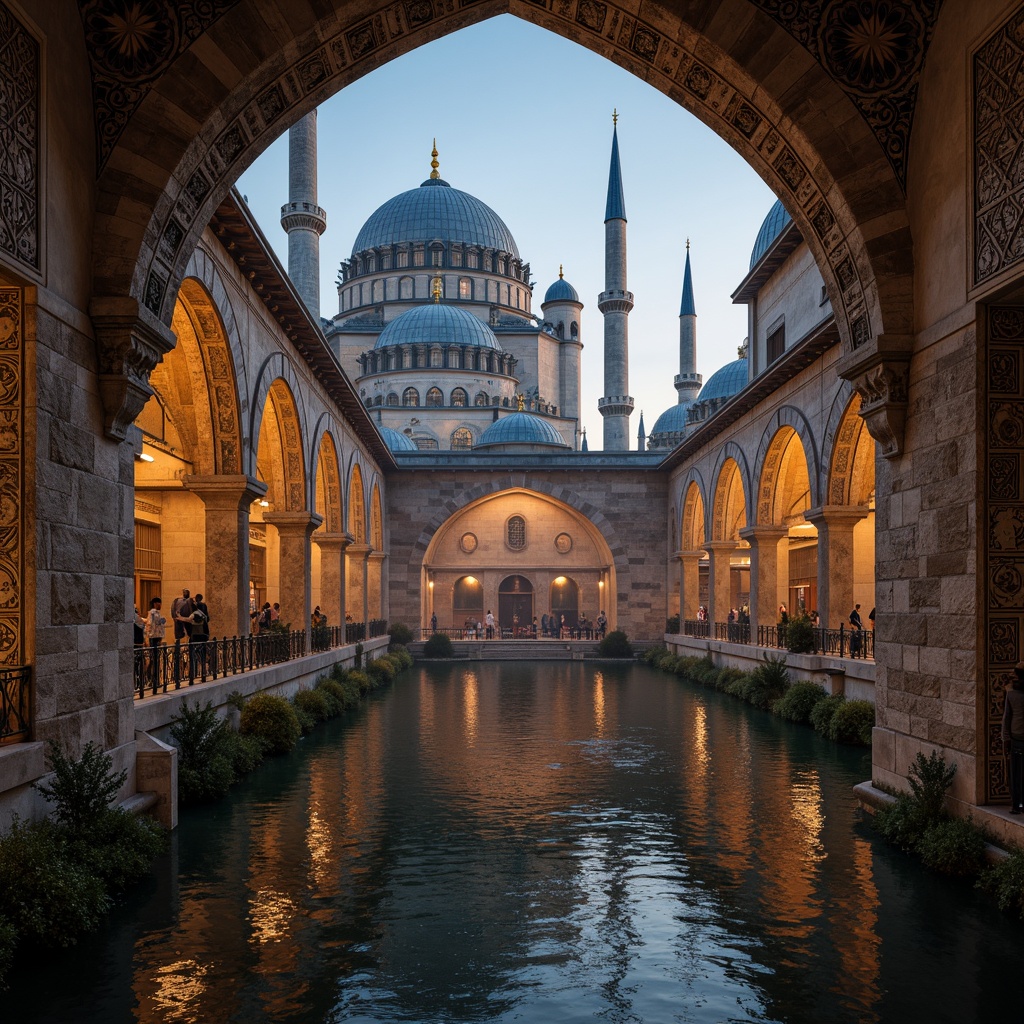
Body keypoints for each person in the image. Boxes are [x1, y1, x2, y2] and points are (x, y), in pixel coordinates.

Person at [1003, 663, 1024, 814]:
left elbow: (1007, 717)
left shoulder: (1012, 694)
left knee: (1016, 774)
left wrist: (1005, 738)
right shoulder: (1013, 694)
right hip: (1018, 737)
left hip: (1016, 737)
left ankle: (1017, 805)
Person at [144, 596, 166, 686]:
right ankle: (152, 679)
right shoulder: (153, 613)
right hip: (154, 638)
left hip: (156, 637)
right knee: (154, 659)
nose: (160, 605)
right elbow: (150, 625)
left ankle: (154, 678)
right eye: (159, 603)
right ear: (155, 604)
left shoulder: (157, 613)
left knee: (155, 659)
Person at [189, 593, 210, 676]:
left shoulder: (196, 610)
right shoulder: (204, 607)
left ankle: (193, 672)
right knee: (203, 652)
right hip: (204, 633)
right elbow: (208, 618)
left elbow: (191, 619)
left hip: (196, 634)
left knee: (194, 653)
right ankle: (204, 670)